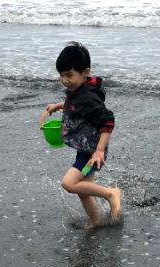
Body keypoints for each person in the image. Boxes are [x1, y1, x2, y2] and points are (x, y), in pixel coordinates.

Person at [39, 42, 122, 228]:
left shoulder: (88, 96)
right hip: (86, 148)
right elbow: (74, 103)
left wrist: (99, 151)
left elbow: (108, 121)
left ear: (85, 72)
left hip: (91, 152)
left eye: (69, 75)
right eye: (61, 75)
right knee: (83, 190)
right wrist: (59, 106)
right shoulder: (78, 90)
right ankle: (97, 221)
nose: (64, 80)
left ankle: (111, 194)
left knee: (68, 183)